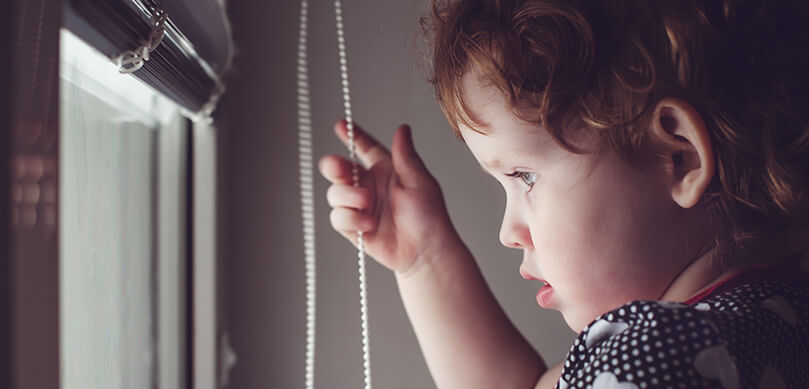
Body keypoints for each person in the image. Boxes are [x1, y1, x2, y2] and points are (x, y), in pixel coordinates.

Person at [318, 0, 809, 387]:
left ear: (677, 157)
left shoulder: (658, 360)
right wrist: (426, 257)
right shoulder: (779, 318)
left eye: (524, 177)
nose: (508, 232)